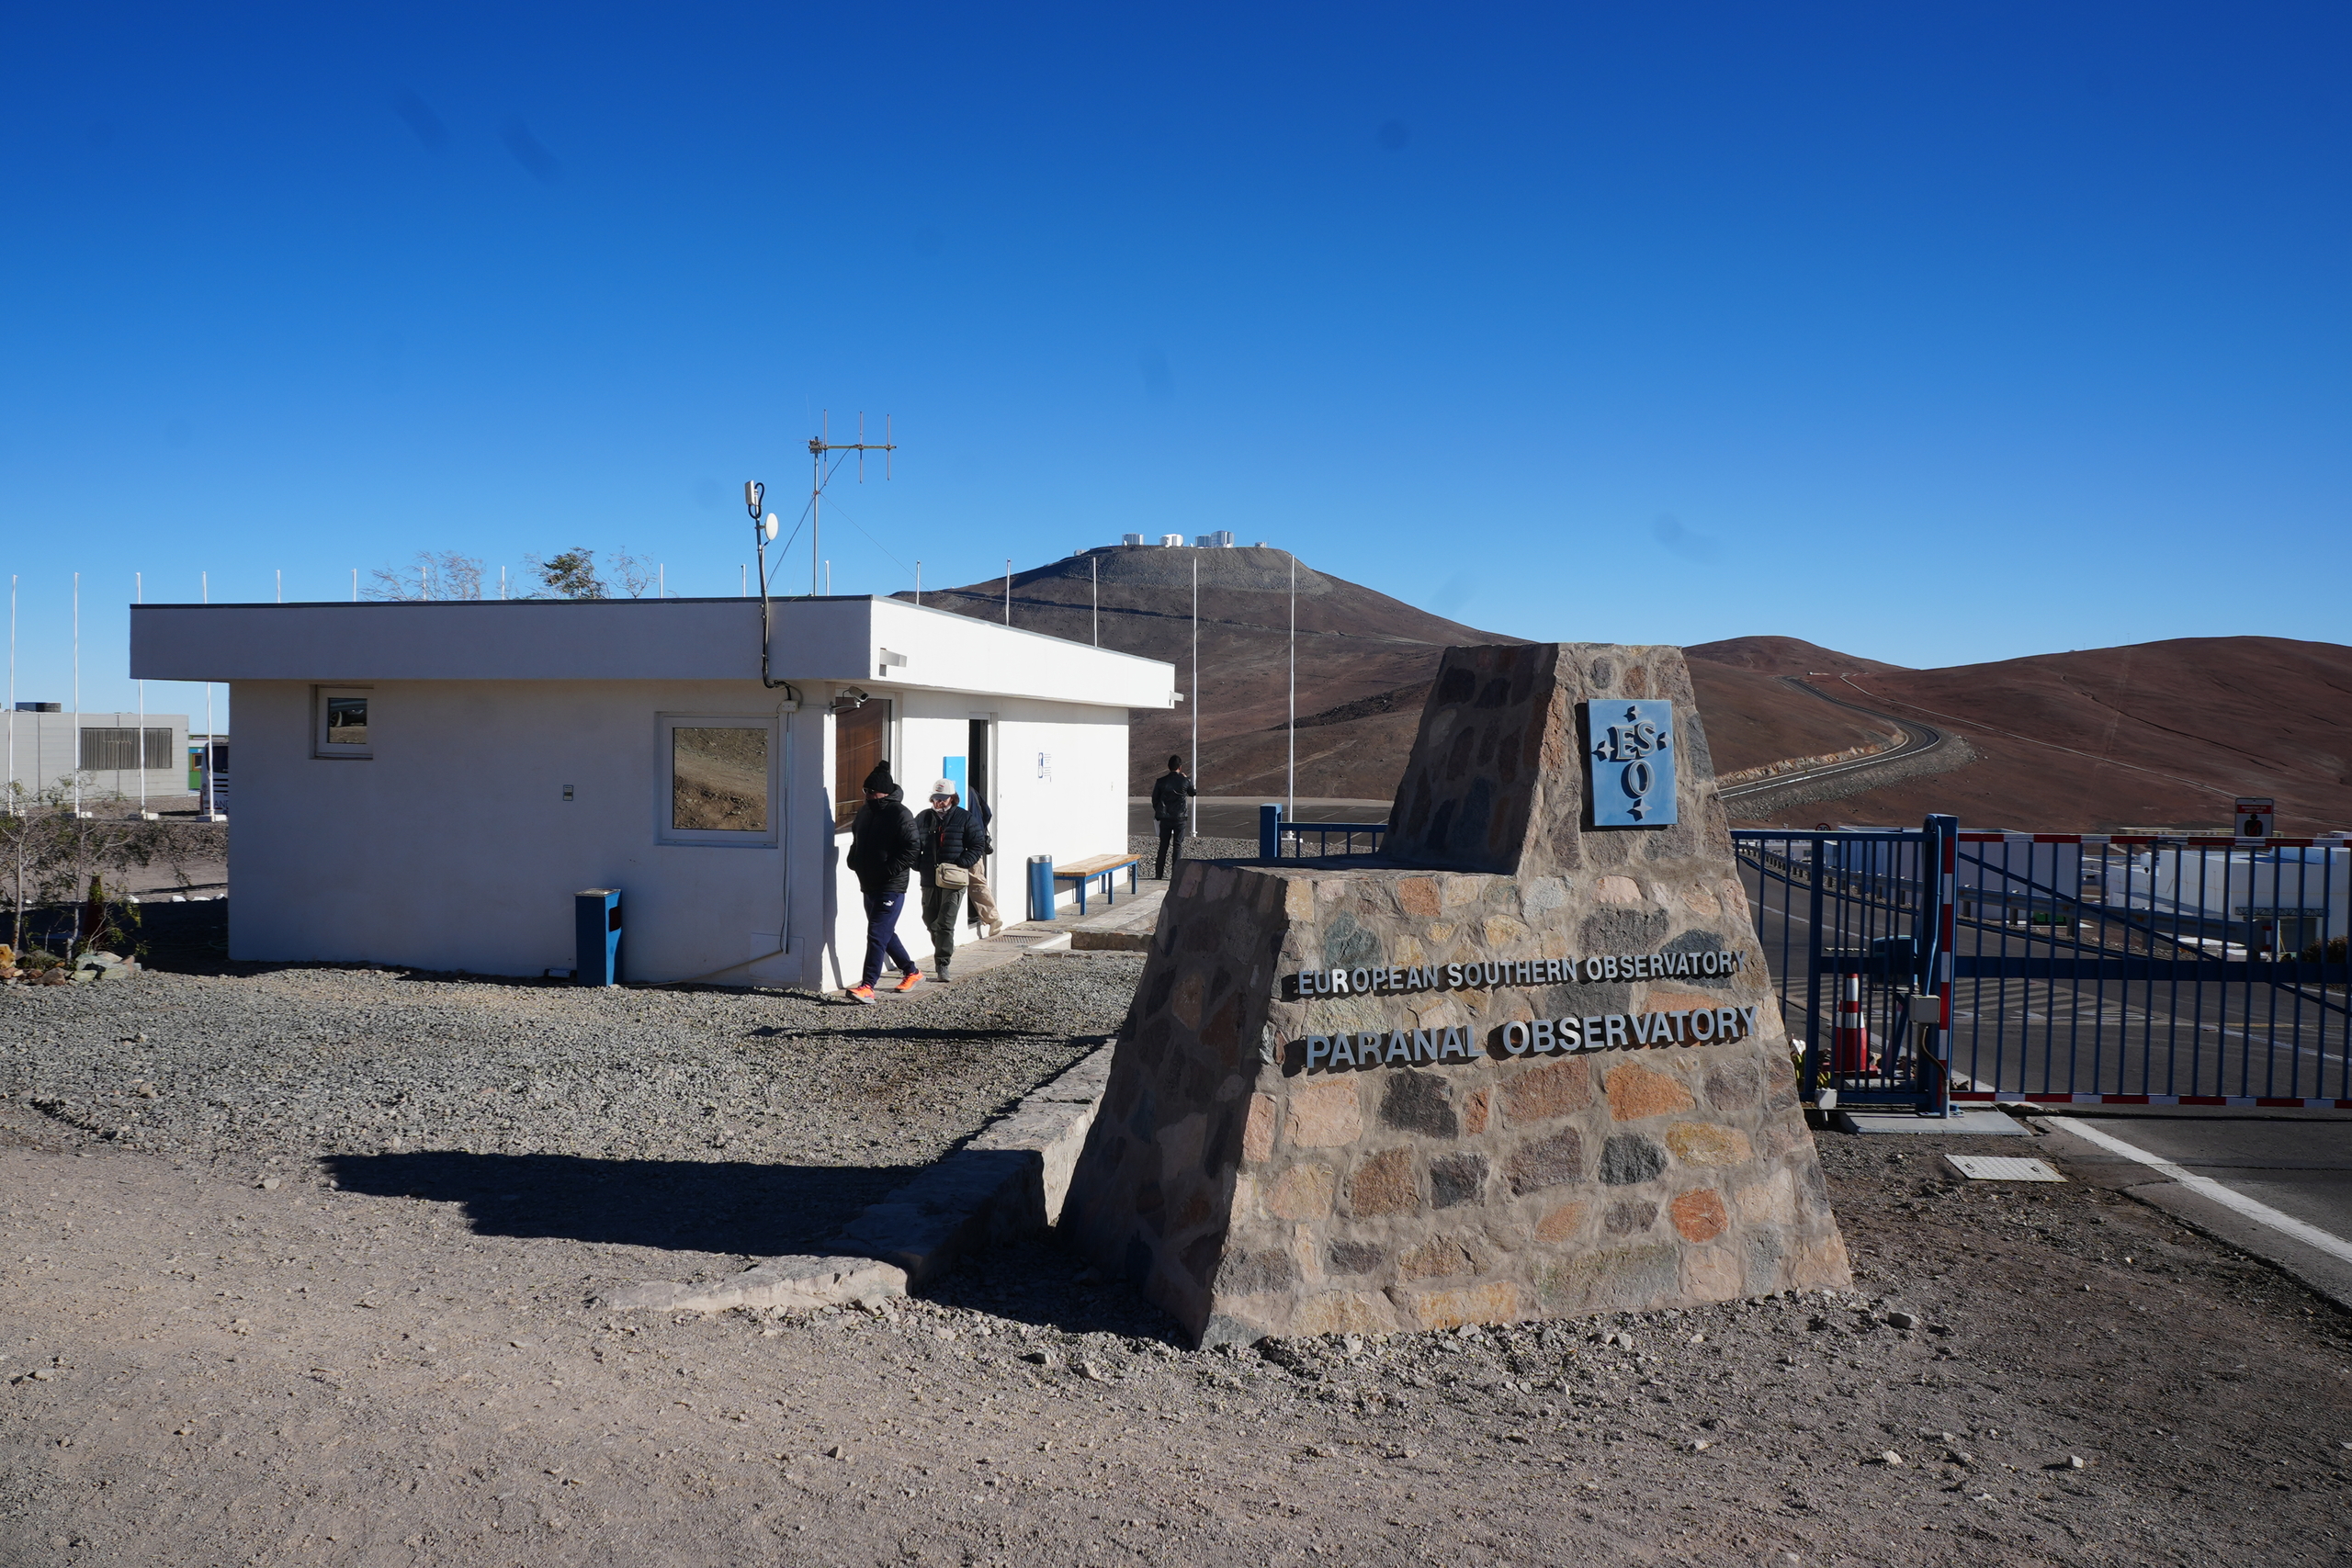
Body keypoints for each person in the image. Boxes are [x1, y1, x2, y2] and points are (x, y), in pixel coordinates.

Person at [843, 761, 922, 1002]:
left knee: (876, 934)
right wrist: (853, 859)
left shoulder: (900, 813)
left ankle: (868, 986)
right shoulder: (865, 811)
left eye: (871, 792)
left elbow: (913, 848)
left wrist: (889, 870)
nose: (867, 795)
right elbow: (857, 838)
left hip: (891, 886)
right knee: (884, 933)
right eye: (865, 791)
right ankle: (912, 972)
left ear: (884, 793)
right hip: (868, 884)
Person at [914, 779, 985, 984]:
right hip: (929, 877)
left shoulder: (965, 818)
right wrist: (917, 863)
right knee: (930, 919)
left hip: (954, 878)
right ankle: (944, 948)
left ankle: (942, 964)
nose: (939, 802)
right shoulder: (923, 818)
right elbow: (912, 842)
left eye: (943, 798)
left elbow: (977, 845)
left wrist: (962, 863)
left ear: (952, 798)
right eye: (936, 798)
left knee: (946, 921)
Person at [962, 783, 1005, 939]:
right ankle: (991, 917)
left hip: (966, 845)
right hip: (977, 844)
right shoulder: (972, 791)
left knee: (975, 882)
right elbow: (987, 813)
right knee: (978, 882)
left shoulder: (960, 793)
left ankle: (992, 917)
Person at [1151, 754, 1198, 880]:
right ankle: (1176, 874)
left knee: (1163, 845)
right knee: (1177, 845)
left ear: (1168, 766)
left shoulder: (1161, 781)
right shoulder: (1184, 781)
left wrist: (1160, 811)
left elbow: (1155, 799)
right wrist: (1187, 779)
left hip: (1165, 817)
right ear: (1180, 767)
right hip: (1180, 817)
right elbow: (1193, 793)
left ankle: (1159, 874)